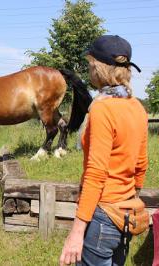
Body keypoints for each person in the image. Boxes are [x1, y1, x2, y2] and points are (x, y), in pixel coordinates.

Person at [59, 35, 148, 265]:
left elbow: (96, 173)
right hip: (126, 213)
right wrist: (130, 197)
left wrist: (77, 232)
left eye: (90, 65)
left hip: (103, 216)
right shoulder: (137, 107)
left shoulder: (102, 109)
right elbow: (141, 164)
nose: (89, 71)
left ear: (99, 69)